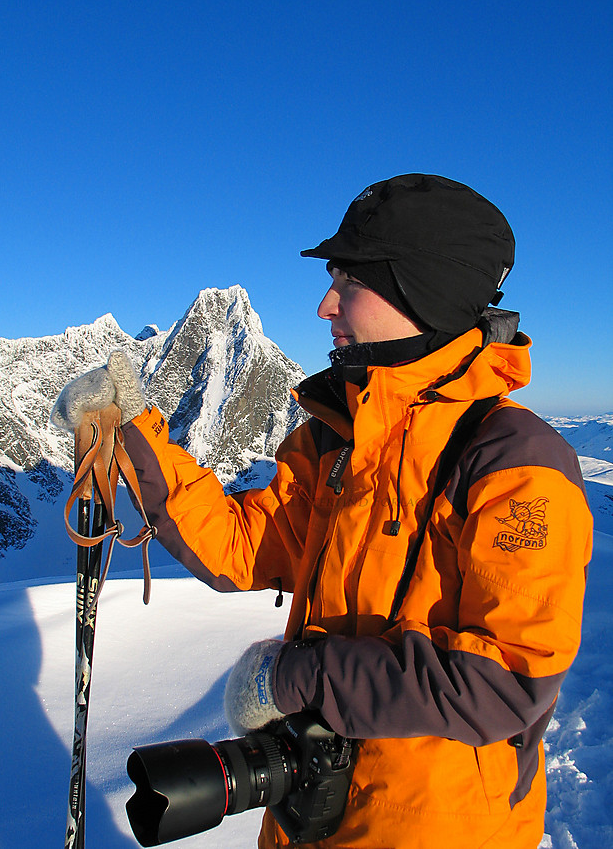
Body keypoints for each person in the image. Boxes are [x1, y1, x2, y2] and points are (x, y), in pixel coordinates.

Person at [52, 174, 593, 848]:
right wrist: (133, 429)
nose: (324, 306)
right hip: (312, 807)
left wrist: (295, 678)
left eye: (350, 281)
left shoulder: (514, 464)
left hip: (433, 828)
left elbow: (505, 684)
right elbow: (242, 547)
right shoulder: (338, 438)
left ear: (419, 290)